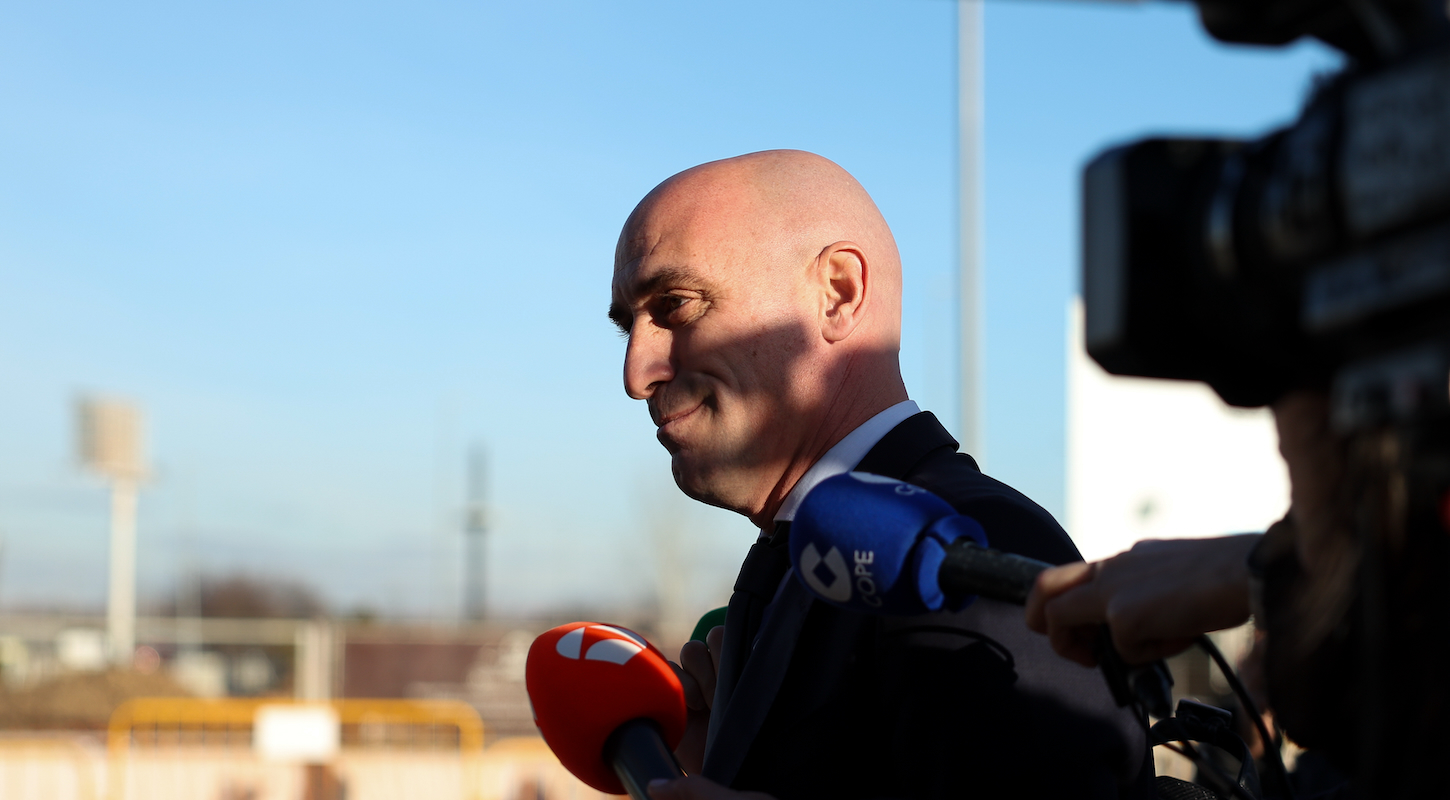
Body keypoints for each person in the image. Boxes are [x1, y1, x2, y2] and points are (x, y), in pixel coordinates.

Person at [608, 150, 1149, 800]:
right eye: (627, 328)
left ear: (837, 293)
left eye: (676, 305)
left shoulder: (967, 552)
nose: (637, 373)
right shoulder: (810, 560)